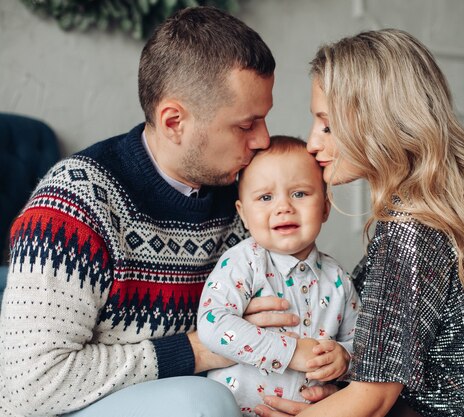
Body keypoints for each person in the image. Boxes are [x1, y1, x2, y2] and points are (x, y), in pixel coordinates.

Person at [0, 6, 303, 417]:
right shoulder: (73, 204)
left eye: (264, 120)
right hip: (78, 406)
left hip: (212, 389)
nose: (264, 140)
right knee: (203, 404)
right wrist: (196, 349)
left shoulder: (245, 194)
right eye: (246, 125)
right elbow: (24, 386)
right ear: (174, 121)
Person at [254, 29, 464, 417]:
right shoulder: (435, 207)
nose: (313, 143)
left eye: (328, 125)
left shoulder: (410, 226)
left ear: (379, 122)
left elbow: (373, 399)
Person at [198, 135, 360, 416]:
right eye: (265, 197)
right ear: (244, 213)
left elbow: (362, 344)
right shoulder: (242, 263)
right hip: (238, 410)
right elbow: (214, 325)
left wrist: (344, 357)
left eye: (299, 193)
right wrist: (291, 352)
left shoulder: (338, 280)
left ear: (325, 206)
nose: (283, 207)